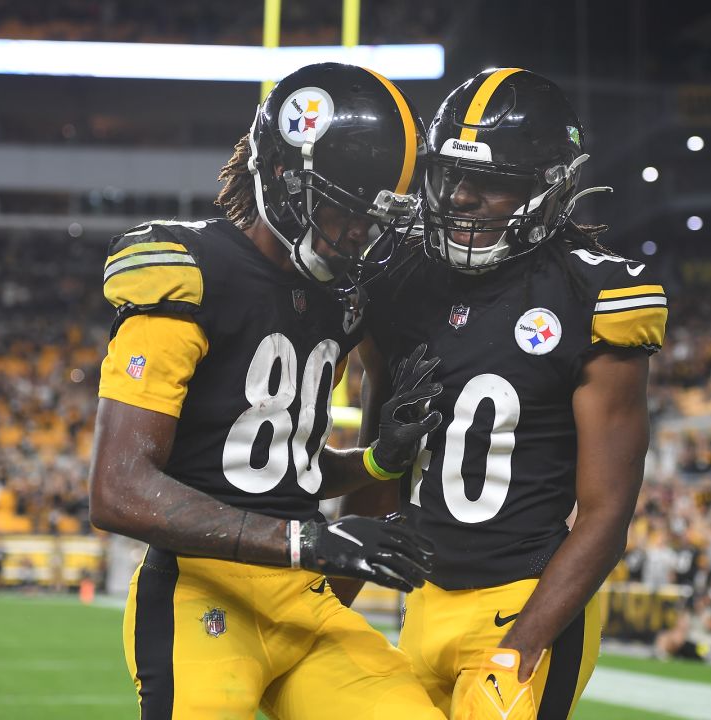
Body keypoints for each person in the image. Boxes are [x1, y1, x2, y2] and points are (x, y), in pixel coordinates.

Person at [87, 63, 447, 720]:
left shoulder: (344, 298)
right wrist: (308, 542)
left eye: (379, 220)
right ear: (286, 182)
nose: (364, 236)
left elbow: (276, 466)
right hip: (203, 594)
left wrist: (374, 461)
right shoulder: (189, 272)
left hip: (302, 602)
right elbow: (118, 488)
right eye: (349, 212)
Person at [338, 68, 669, 720]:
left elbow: (606, 516)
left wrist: (519, 649)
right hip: (422, 600)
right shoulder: (401, 283)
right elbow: (383, 468)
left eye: (490, 181)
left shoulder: (592, 297)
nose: (460, 196)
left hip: (525, 601)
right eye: (452, 176)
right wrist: (328, 600)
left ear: (548, 189)